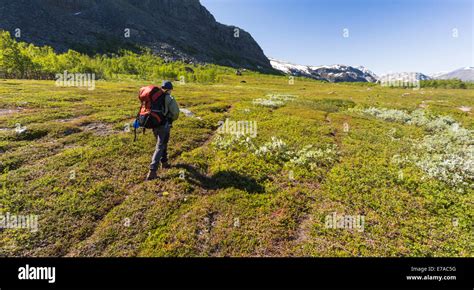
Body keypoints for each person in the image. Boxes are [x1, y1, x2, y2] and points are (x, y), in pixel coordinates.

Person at [146, 81, 180, 181]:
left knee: (162, 143)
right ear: (170, 89)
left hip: (153, 123)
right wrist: (170, 120)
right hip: (164, 124)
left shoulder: (154, 97)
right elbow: (175, 113)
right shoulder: (169, 98)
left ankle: (164, 162)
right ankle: (152, 171)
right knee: (160, 145)